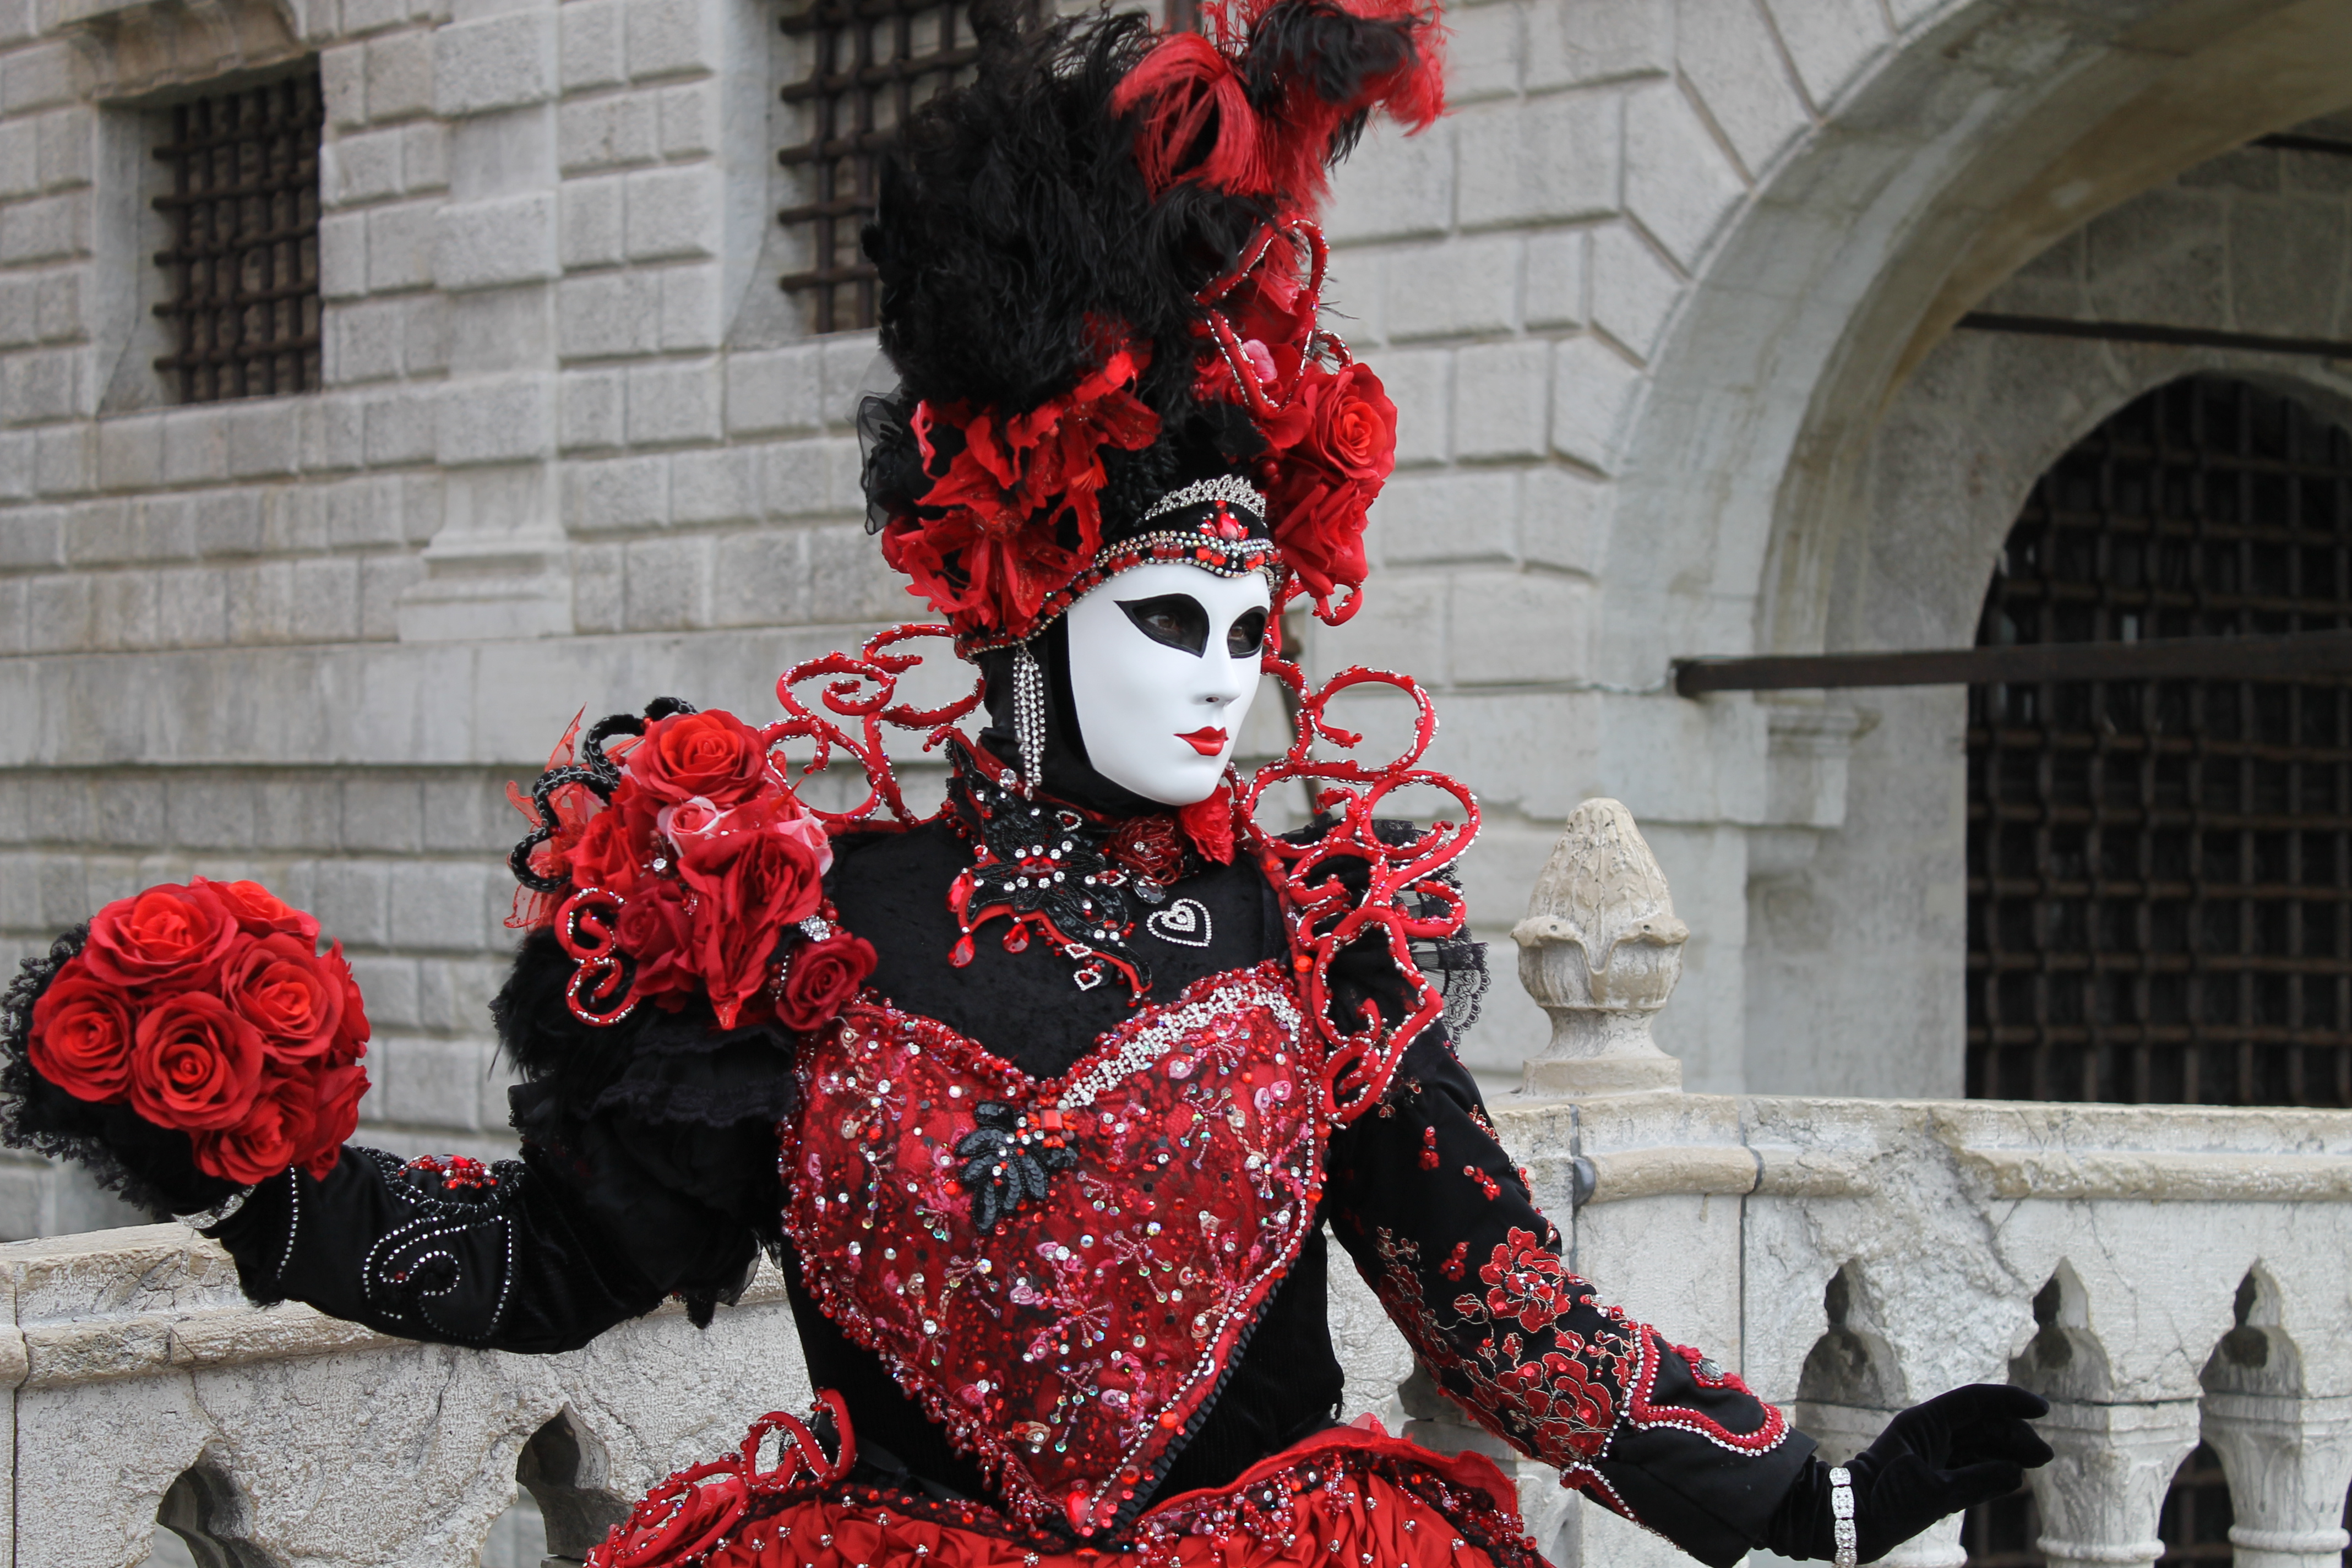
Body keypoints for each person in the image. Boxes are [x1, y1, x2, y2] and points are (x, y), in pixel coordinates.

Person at [0, 2, 2051, 1566]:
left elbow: (1502, 1304)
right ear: (1031, 599)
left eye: (1255, 639)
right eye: (1175, 626)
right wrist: (252, 1170)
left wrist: (1814, 1503)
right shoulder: (790, 921)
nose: (1227, 688)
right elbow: (566, 1258)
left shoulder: (1317, 935)